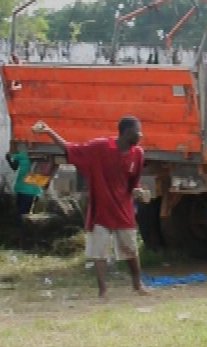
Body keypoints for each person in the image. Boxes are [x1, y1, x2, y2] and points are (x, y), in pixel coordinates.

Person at [33, 116, 150, 298]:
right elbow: (70, 148)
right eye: (137, 132)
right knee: (99, 251)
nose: (141, 135)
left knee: (130, 249)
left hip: (122, 209)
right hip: (100, 209)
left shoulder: (138, 154)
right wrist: (49, 132)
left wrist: (138, 192)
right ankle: (102, 290)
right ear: (126, 133)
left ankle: (137, 284)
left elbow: (133, 183)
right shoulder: (99, 148)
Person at [5, 144, 43, 226]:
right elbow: (15, 167)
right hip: (20, 187)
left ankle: (22, 233)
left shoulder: (42, 153)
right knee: (19, 213)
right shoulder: (21, 153)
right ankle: (19, 233)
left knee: (24, 215)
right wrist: (8, 159)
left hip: (32, 189)